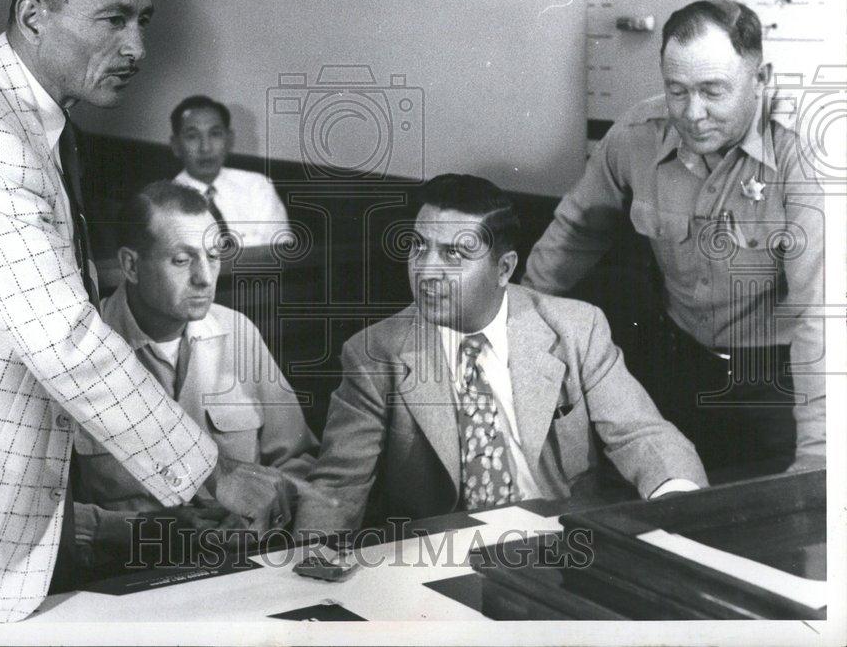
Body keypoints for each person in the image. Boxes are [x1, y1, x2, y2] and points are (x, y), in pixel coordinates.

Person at [0, 0, 302, 623]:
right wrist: (217, 473)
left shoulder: (30, 117)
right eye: (112, 19)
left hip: (3, 510)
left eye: (143, 19)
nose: (136, 46)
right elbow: (66, 342)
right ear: (33, 15)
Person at [294, 174, 707, 535]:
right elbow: (337, 488)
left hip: (562, 539)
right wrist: (310, 572)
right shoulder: (375, 354)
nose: (426, 270)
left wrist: (682, 508)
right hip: (437, 554)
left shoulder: (577, 329)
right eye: (419, 247)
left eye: (454, 254)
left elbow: (640, 433)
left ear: (504, 269)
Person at [522, 0, 824, 475]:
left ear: (760, 79)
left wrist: (817, 456)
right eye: (676, 90)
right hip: (675, 364)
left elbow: (819, 318)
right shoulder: (638, 132)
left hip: (776, 384)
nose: (692, 113)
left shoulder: (802, 157)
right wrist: (514, 330)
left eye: (713, 91)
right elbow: (575, 233)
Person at [73, 181, 318, 576]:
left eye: (213, 256)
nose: (205, 278)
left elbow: (299, 461)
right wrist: (134, 531)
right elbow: (42, 511)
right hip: (121, 580)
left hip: (241, 569)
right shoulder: (78, 350)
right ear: (131, 265)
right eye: (182, 260)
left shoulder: (238, 334)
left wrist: (263, 509)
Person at [171, 95, 290, 247]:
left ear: (229, 140)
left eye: (215, 134)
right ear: (176, 145)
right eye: (192, 136)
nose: (205, 148)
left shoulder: (257, 187)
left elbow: (282, 254)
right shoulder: (164, 204)